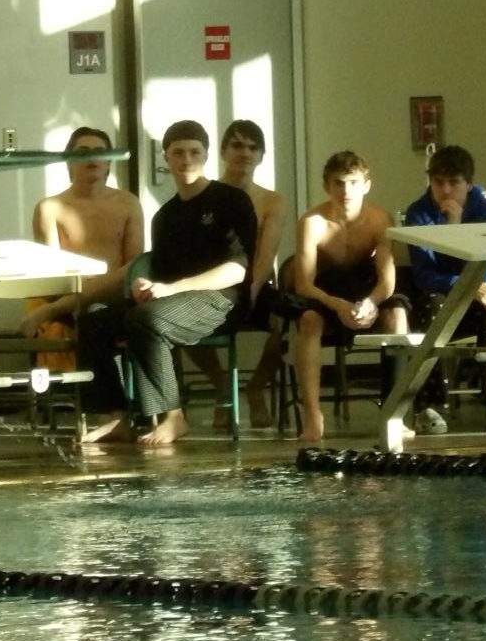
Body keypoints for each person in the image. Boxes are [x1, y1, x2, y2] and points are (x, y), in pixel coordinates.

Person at [75, 120, 256, 448]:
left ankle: (174, 416)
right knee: (95, 318)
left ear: (206, 155)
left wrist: (172, 290)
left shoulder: (232, 201)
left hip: (221, 300)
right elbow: (161, 273)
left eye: (194, 152)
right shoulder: (165, 216)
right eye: (178, 152)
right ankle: (115, 416)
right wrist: (143, 287)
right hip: (174, 301)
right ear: (166, 158)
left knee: (146, 319)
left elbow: (237, 272)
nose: (186, 158)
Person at [290, 150, 409, 445]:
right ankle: (313, 416)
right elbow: (303, 283)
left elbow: (387, 279)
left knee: (398, 315)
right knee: (308, 320)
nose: (346, 191)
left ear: (366, 185)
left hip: (364, 286)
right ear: (327, 186)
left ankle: (398, 413)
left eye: (353, 183)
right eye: (339, 183)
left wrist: (371, 302)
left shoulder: (379, 219)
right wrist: (337, 304)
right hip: (324, 290)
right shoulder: (312, 222)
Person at [403, 143, 486, 433]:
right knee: (431, 305)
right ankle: (431, 405)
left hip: (477, 295)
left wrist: (476, 286)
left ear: (469, 184)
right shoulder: (419, 213)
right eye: (438, 182)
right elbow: (425, 274)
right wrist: (468, 285)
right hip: (440, 296)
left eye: (453, 182)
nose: (445, 190)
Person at [189, 118, 288, 428]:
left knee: (289, 319)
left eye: (252, 147)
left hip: (256, 284)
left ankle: (256, 388)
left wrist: (251, 292)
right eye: (237, 145)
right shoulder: (201, 194)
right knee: (180, 321)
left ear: (261, 155)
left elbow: (266, 252)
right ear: (222, 152)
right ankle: (221, 387)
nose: (245, 153)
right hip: (213, 287)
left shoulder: (273, 201)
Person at [19, 126, 144, 355]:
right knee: (89, 314)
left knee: (104, 307)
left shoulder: (128, 203)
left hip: (116, 295)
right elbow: (51, 275)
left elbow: (134, 266)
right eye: (83, 151)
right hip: (68, 298)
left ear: (108, 162)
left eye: (99, 151)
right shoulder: (50, 208)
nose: (92, 156)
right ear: (69, 162)